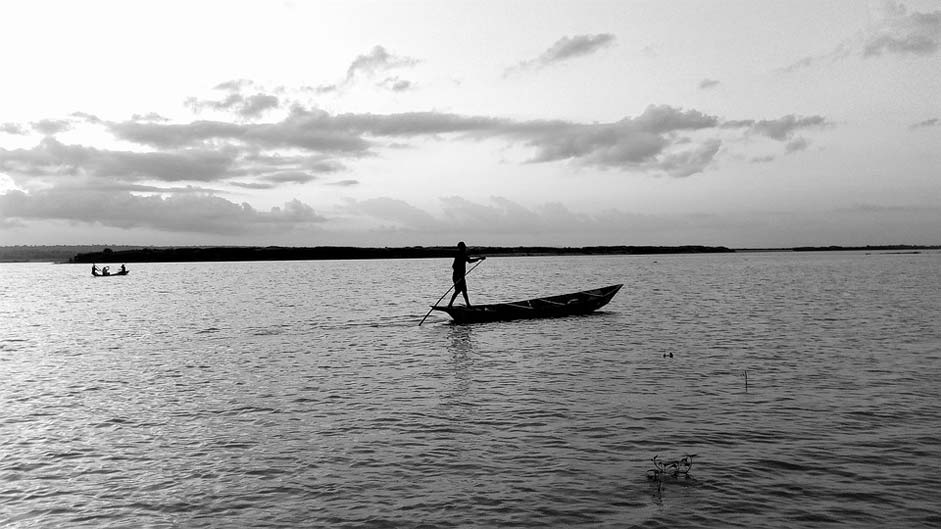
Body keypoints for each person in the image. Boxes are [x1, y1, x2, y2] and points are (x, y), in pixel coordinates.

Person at [448, 241, 485, 308]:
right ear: (461, 248)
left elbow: (469, 261)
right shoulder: (461, 255)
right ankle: (450, 304)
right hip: (458, 277)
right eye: (463, 247)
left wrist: (479, 259)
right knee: (458, 290)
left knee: (464, 290)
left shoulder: (462, 254)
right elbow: (454, 266)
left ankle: (467, 304)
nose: (465, 248)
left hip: (460, 276)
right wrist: (459, 276)